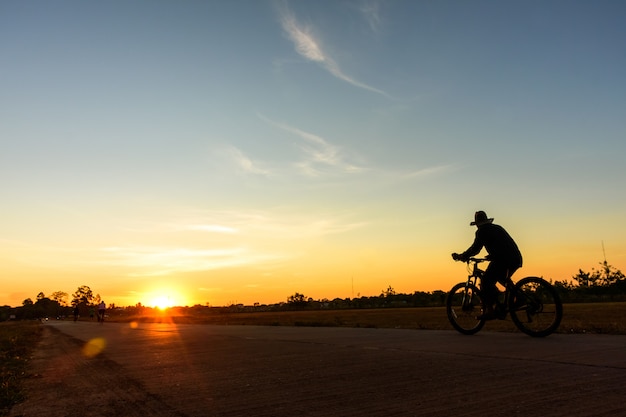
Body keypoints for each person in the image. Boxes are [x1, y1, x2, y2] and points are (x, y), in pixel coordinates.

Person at [452, 211, 523, 320]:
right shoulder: (497, 228)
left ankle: (490, 311)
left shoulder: (481, 232)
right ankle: (518, 297)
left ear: (477, 224)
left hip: (502, 259)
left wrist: (462, 256)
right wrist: (492, 255)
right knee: (502, 278)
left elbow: (475, 249)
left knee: (485, 281)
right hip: (516, 258)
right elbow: (503, 244)